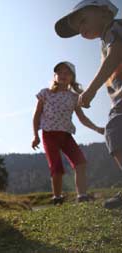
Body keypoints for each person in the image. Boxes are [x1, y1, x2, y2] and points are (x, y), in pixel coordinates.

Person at [55, 0, 122, 209]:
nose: (81, 29)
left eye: (83, 20)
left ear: (104, 12)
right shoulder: (105, 40)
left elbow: (116, 54)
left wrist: (91, 89)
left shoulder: (115, 28)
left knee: (114, 130)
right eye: (78, 28)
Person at [32, 61, 104, 205]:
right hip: (49, 134)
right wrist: (36, 136)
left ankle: (82, 196)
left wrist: (97, 129)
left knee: (80, 162)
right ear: (55, 76)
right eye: (60, 72)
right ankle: (57, 198)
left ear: (72, 77)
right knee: (56, 167)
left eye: (67, 73)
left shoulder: (74, 98)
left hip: (66, 135)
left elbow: (82, 118)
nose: (63, 75)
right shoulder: (45, 93)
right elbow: (36, 115)